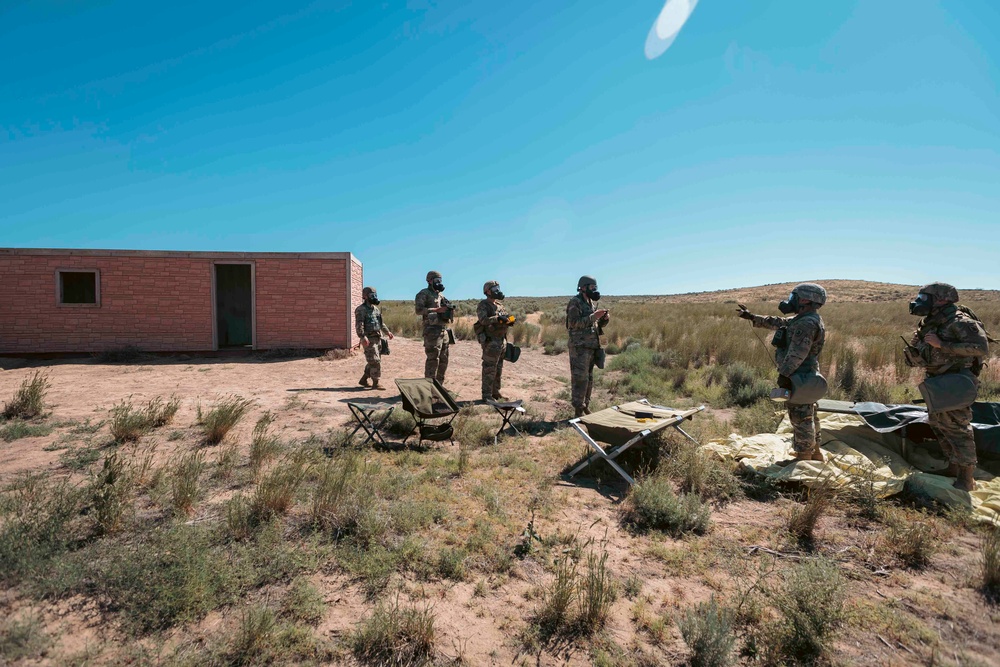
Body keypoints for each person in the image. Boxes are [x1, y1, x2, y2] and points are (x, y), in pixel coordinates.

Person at [904, 282, 989, 491]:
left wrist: (942, 345)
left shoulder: (960, 321)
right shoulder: (931, 322)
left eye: (925, 298)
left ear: (942, 299)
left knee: (958, 429)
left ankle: (967, 478)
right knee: (939, 424)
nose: (920, 302)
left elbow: (981, 348)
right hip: (937, 381)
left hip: (955, 381)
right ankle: (953, 467)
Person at [737, 283, 827, 462]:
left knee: (801, 416)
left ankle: (804, 457)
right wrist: (753, 317)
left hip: (798, 375)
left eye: (795, 297)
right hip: (803, 375)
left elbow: (797, 354)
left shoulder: (807, 323)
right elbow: (779, 322)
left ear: (805, 300)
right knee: (809, 413)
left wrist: (784, 375)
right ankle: (814, 452)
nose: (790, 300)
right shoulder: (803, 319)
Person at [566, 275, 609, 418]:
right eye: (592, 287)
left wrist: (602, 320)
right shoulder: (575, 302)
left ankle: (585, 406)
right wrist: (593, 317)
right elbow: (573, 323)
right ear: (583, 288)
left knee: (589, 378)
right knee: (580, 379)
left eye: (595, 287)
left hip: (591, 347)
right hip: (579, 348)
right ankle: (578, 410)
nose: (594, 290)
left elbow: (593, 325)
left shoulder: (590, 302)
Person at [476, 280, 513, 401]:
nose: (497, 291)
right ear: (487, 291)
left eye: (498, 288)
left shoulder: (500, 305)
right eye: (494, 289)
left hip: (501, 341)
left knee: (498, 368)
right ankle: (486, 395)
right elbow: (483, 320)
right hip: (490, 341)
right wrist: (497, 319)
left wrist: (510, 320)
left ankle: (495, 392)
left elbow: (506, 317)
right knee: (489, 369)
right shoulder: (483, 305)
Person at [414, 270, 451, 384]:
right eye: (436, 280)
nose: (439, 282)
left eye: (440, 280)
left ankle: (439, 387)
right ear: (429, 281)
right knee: (433, 360)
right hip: (431, 331)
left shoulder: (441, 295)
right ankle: (429, 387)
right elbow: (418, 310)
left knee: (444, 359)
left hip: (443, 330)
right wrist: (436, 310)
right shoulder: (423, 293)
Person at [355, 286, 393, 390]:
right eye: (372, 295)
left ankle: (363, 379)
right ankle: (376, 382)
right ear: (365, 296)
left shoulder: (375, 309)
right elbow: (359, 325)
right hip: (369, 339)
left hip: (378, 338)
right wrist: (362, 337)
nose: (374, 297)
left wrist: (388, 332)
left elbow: (381, 323)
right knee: (375, 361)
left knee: (373, 360)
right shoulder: (360, 310)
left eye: (375, 295)